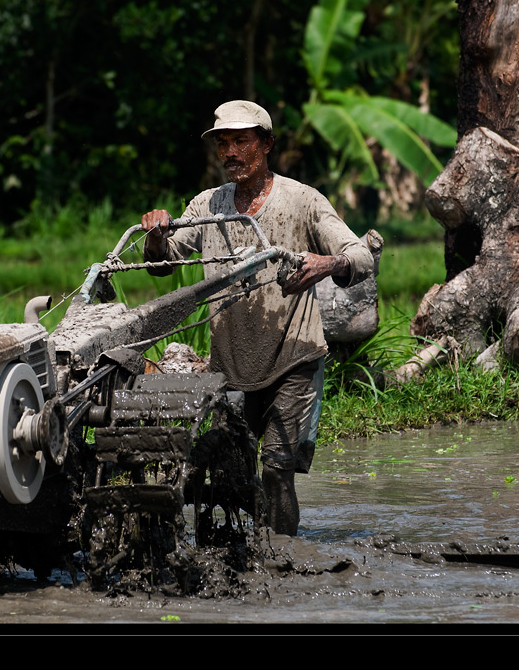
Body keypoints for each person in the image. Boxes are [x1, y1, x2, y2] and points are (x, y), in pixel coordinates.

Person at [141, 99, 373, 535]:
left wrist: (325, 265)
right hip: (232, 365)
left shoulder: (302, 200)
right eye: (223, 144)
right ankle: (248, 551)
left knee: (276, 470)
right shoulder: (208, 206)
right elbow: (163, 262)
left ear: (266, 144)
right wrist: (156, 235)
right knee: (232, 468)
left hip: (293, 356)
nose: (231, 152)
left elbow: (359, 254)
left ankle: (283, 561)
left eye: (241, 141)